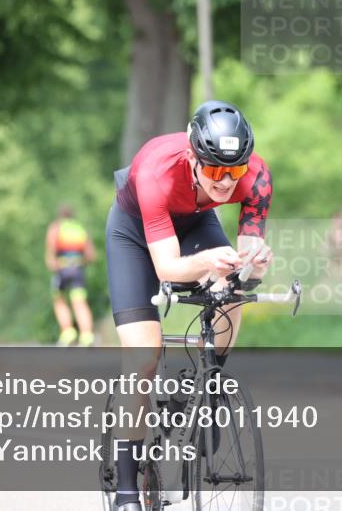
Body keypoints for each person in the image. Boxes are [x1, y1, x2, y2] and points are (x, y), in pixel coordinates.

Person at [106, 100, 273, 511]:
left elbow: (247, 266)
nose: (225, 182)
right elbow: (167, 266)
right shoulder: (155, 173)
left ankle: (207, 384)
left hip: (196, 222)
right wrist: (204, 264)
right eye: (215, 170)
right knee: (143, 358)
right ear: (194, 158)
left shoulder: (257, 178)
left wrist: (253, 266)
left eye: (233, 172)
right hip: (134, 233)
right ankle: (127, 488)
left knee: (231, 284)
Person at [45, 206, 97, 346]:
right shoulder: (79, 228)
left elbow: (51, 253)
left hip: (62, 270)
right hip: (78, 270)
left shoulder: (56, 227)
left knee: (59, 300)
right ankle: (87, 336)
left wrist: (54, 264)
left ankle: (68, 332)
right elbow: (91, 255)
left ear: (60, 215)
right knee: (80, 302)